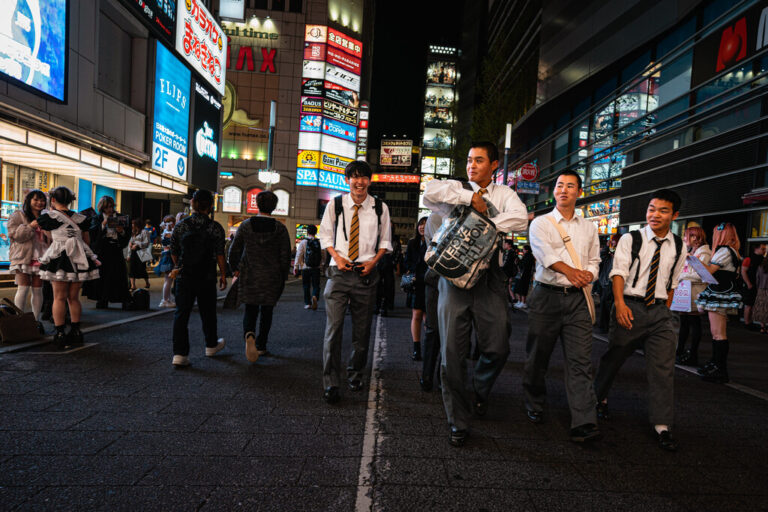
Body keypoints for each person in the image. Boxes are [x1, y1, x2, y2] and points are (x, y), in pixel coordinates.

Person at [423, 141, 528, 447]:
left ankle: (480, 389)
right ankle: (458, 420)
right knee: (452, 355)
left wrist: (481, 224)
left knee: (498, 346)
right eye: (469, 160)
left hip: (490, 279)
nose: (472, 165)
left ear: (494, 165)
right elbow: (430, 191)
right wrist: (470, 197)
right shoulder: (454, 189)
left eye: (479, 161)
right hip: (453, 275)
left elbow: (520, 219)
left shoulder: (504, 194)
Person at [594, 189, 687, 452]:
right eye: (651, 209)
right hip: (630, 306)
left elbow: (673, 282)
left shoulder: (680, 245)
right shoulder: (631, 239)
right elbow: (618, 272)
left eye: (663, 210)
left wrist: (665, 310)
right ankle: (597, 399)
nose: (655, 215)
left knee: (663, 369)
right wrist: (621, 305)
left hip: (660, 313)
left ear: (675, 215)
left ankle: (663, 425)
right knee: (613, 359)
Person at [524, 171, 602, 443]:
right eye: (560, 185)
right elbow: (545, 255)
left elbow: (595, 260)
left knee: (580, 361)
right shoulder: (541, 223)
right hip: (545, 297)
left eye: (570, 186)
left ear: (579, 192)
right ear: (553, 191)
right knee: (538, 357)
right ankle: (534, 401)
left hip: (578, 299)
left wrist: (588, 275)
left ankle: (584, 421)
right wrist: (571, 271)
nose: (564, 190)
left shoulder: (589, 227)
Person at [318, 160, 392, 404]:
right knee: (334, 329)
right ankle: (331, 382)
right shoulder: (336, 204)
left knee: (362, 332)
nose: (359, 182)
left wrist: (374, 262)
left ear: (370, 181)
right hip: (338, 273)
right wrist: (337, 257)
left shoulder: (380, 208)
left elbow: (385, 242)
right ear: (347, 180)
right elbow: (325, 234)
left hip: (366, 274)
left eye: (363, 177)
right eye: (354, 177)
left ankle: (356, 373)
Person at [228, 191, 291, 361]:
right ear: (275, 206)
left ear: (257, 204)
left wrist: (234, 268)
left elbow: (234, 250)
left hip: (250, 273)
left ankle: (249, 334)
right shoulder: (280, 228)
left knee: (251, 308)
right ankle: (262, 346)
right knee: (267, 311)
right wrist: (283, 276)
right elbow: (285, 255)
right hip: (272, 276)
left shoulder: (246, 225)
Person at [37, 187, 101, 349]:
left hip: (59, 257)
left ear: (53, 200)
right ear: (70, 200)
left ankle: (59, 333)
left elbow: (50, 237)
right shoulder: (82, 218)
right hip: (79, 258)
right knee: (73, 298)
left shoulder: (48, 218)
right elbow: (86, 241)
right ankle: (76, 331)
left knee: (58, 297)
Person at [169, 190, 227, 367]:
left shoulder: (181, 226)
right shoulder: (215, 227)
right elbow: (219, 254)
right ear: (211, 206)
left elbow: (173, 251)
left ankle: (180, 354)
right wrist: (223, 274)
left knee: (181, 314)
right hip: (206, 275)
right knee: (208, 312)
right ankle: (210, 344)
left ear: (192, 203)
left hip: (185, 275)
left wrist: (180, 265)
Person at [694, 222, 742, 383]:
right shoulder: (733, 251)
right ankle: (715, 364)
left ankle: (720, 368)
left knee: (718, 333)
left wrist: (694, 261)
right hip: (722, 291)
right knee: (717, 332)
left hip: (719, 293)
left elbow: (709, 272)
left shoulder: (724, 251)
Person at [8, 189, 51, 327]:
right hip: (23, 256)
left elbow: (53, 239)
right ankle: (19, 321)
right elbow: (15, 236)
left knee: (38, 290)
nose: (40, 203)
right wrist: (30, 226)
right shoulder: (18, 215)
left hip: (42, 257)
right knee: (23, 288)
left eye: (42, 200)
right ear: (29, 200)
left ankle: (35, 322)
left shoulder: (47, 217)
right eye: (36, 199)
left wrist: (47, 231)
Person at [675, 226, 712, 366]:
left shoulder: (705, 253)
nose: (684, 239)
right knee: (684, 322)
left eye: (686, 236)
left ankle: (693, 353)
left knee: (694, 323)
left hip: (696, 292)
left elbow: (701, 274)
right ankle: (680, 350)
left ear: (695, 237)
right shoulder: (692, 251)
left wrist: (680, 276)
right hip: (686, 292)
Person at [85, 196, 130, 309]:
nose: (109, 210)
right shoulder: (97, 218)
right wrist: (103, 224)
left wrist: (122, 231)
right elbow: (93, 234)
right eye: (106, 207)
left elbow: (127, 234)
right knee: (102, 275)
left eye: (111, 207)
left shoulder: (121, 217)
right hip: (103, 249)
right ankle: (102, 299)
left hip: (116, 248)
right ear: (102, 208)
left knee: (118, 274)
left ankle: (122, 298)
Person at [420, 211, 443, 391]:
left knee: (450, 332)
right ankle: (427, 375)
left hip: (454, 282)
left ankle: (442, 375)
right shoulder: (437, 216)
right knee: (433, 329)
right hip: (437, 278)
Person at [405, 217, 428, 361]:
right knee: (417, 315)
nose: (422, 227)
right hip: (416, 283)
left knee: (428, 318)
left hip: (429, 283)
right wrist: (412, 270)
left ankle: (429, 347)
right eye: (420, 225)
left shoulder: (434, 243)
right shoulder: (412, 243)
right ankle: (416, 348)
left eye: (425, 225)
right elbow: (407, 261)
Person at [293, 224, 324, 310]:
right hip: (316, 268)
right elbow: (323, 255)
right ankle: (315, 296)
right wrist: (322, 265)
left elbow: (299, 255)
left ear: (307, 232)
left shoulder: (303, 242)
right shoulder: (319, 242)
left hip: (305, 268)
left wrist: (296, 266)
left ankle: (308, 304)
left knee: (306, 286)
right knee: (316, 285)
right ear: (316, 232)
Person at [740, 243, 766, 331]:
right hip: (750, 285)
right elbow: (743, 272)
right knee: (749, 304)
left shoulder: (763, 259)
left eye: (765, 249)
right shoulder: (748, 258)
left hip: (759, 285)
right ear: (756, 249)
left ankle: (751, 322)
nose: (764, 250)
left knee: (755, 304)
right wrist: (748, 284)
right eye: (762, 249)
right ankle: (747, 323)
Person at [597, 234, 620, 332]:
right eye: (612, 241)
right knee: (605, 304)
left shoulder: (621, 255)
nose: (612, 243)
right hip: (606, 283)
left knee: (609, 305)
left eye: (614, 241)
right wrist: (607, 246)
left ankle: (607, 326)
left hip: (613, 283)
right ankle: (604, 326)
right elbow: (601, 256)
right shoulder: (610, 255)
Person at [155, 215, 176, 307]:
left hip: (166, 255)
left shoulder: (166, 232)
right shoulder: (168, 233)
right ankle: (165, 300)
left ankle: (167, 299)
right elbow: (170, 245)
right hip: (168, 256)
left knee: (168, 279)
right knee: (168, 279)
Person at [128, 219, 151, 290]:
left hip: (142, 252)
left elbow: (147, 243)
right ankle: (133, 285)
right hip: (133, 252)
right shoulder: (132, 232)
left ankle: (147, 282)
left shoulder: (144, 232)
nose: (132, 225)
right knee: (132, 268)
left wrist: (137, 244)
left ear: (137, 225)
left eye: (133, 224)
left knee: (142, 269)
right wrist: (128, 254)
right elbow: (130, 243)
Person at [513, 245, 535, 309]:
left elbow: (523, 265)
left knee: (522, 288)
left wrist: (518, 262)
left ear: (527, 250)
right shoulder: (529, 256)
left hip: (524, 275)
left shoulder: (528, 256)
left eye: (524, 249)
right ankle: (520, 302)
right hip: (525, 275)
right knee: (521, 288)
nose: (523, 250)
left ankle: (523, 302)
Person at [751, 256, 768, 333]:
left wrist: (758, 288)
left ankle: (762, 327)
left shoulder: (761, 267)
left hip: (761, 289)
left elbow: (757, 278)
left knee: (761, 308)